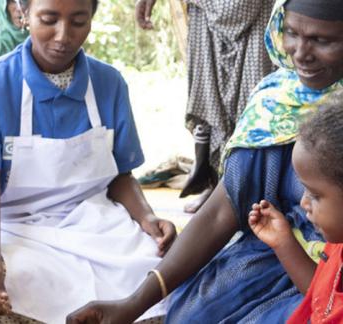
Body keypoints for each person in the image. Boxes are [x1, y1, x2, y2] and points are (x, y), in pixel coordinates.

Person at [67, 0, 343, 322]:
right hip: (271, 256)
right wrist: (133, 303)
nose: (300, 53)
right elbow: (220, 211)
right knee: (191, 313)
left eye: (322, 40)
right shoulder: (275, 102)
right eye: (291, 33)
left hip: (327, 278)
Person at [0, 0, 177, 322]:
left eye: (78, 22)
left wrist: (147, 218)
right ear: (23, 13)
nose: (63, 36)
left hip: (100, 225)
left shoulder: (108, 83)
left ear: (92, 20)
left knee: (163, 274)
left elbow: (120, 176)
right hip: (17, 227)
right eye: (49, 19)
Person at [136, 0, 275, 213]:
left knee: (252, 99)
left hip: (256, 12)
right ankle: (214, 182)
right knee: (208, 93)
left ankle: (250, 186)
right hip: (205, 14)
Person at [247, 97, 343, 323]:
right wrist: (283, 243)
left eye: (315, 195)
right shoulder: (338, 246)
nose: (303, 203)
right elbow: (322, 296)